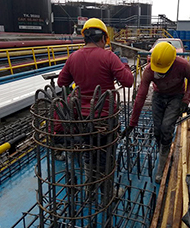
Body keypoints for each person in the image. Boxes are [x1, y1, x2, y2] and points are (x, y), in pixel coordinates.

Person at [57, 18, 134, 197]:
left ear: (84, 37)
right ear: (103, 38)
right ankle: (107, 193)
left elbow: (62, 82)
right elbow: (128, 81)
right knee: (106, 155)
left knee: (88, 152)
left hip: (82, 119)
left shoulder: (73, 57)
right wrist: (122, 65)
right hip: (105, 117)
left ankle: (89, 187)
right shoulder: (109, 57)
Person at [122, 42, 190, 183]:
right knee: (157, 130)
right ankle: (162, 147)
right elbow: (141, 97)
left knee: (166, 127)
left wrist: (186, 99)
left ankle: (164, 156)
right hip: (158, 96)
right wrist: (132, 123)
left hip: (176, 96)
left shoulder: (182, 65)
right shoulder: (150, 70)